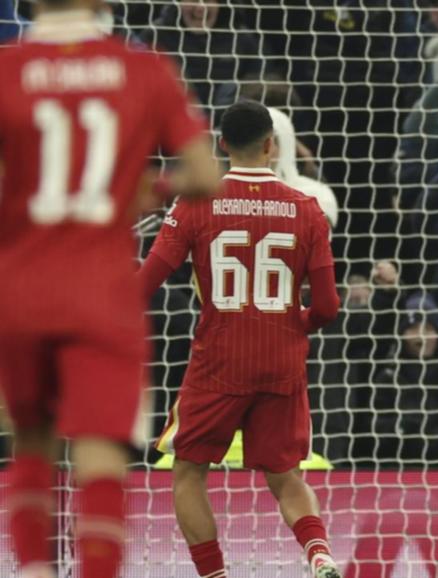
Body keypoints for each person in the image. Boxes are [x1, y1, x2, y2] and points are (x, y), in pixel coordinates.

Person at [0, 1, 220, 577]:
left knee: (32, 439)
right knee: (100, 453)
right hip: (102, 293)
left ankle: (34, 570)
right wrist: (147, 186)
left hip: (22, 287)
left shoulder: (6, 68)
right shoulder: (144, 70)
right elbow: (204, 175)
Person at [138, 100, 341, 578]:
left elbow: (145, 286)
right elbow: (328, 307)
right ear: (271, 145)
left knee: (188, 471)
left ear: (222, 144)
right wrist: (296, 324)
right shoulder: (307, 209)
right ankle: (320, 555)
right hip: (281, 360)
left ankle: (216, 575)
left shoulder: (195, 201)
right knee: (285, 474)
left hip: (219, 358)